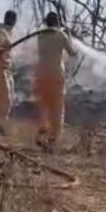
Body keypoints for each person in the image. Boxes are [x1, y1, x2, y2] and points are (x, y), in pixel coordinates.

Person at [35, 12, 77, 150]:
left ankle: (42, 131)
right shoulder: (61, 35)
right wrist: (69, 35)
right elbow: (72, 53)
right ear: (57, 22)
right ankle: (52, 139)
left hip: (41, 74)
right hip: (55, 75)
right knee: (57, 107)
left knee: (43, 104)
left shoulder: (40, 36)